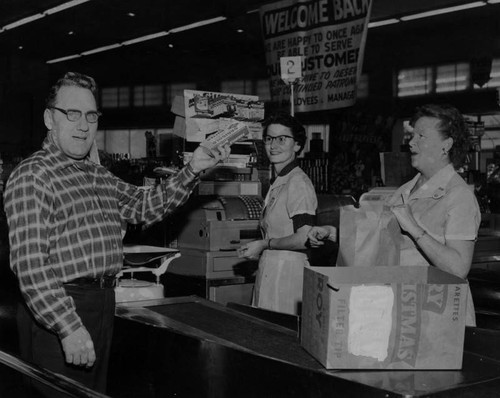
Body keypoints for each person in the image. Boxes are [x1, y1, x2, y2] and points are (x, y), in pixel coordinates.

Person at [3, 71, 230, 395]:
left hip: (101, 303)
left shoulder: (96, 174)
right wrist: (67, 327)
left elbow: (142, 205)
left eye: (91, 116)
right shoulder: (34, 176)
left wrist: (192, 169)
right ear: (49, 119)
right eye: (72, 114)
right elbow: (31, 267)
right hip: (60, 309)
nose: (83, 126)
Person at [308, 104, 480, 326]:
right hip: (404, 309)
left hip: (439, 317)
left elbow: (458, 269)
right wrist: (335, 234)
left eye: (421, 136)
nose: (411, 142)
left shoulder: (459, 196)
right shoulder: (406, 189)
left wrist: (414, 228)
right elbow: (380, 240)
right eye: (411, 135)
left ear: (446, 145)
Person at [238, 111, 317, 315]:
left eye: (282, 139)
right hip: (271, 271)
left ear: (297, 145)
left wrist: (264, 244)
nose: (273, 145)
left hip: (288, 276)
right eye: (269, 139)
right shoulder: (280, 181)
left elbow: (304, 238)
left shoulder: (298, 182)